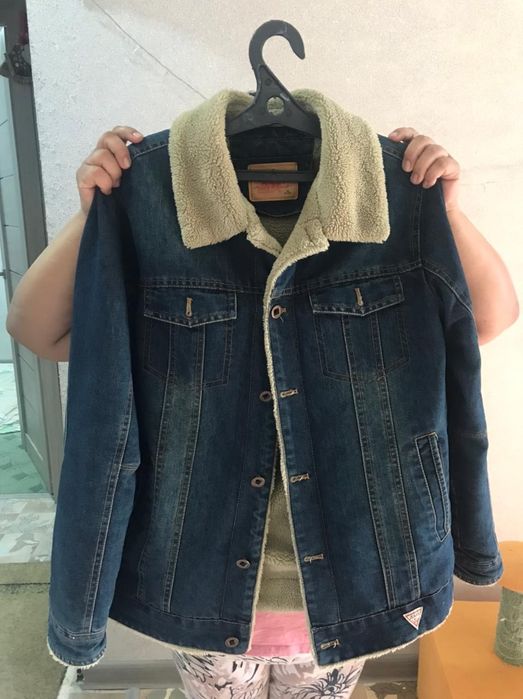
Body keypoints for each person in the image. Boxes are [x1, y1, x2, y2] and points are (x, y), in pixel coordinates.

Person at [6, 125, 519, 698]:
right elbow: (36, 329)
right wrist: (95, 218)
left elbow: (490, 318)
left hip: (358, 583)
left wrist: (443, 213)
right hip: (199, 589)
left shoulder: (390, 208)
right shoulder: (152, 211)